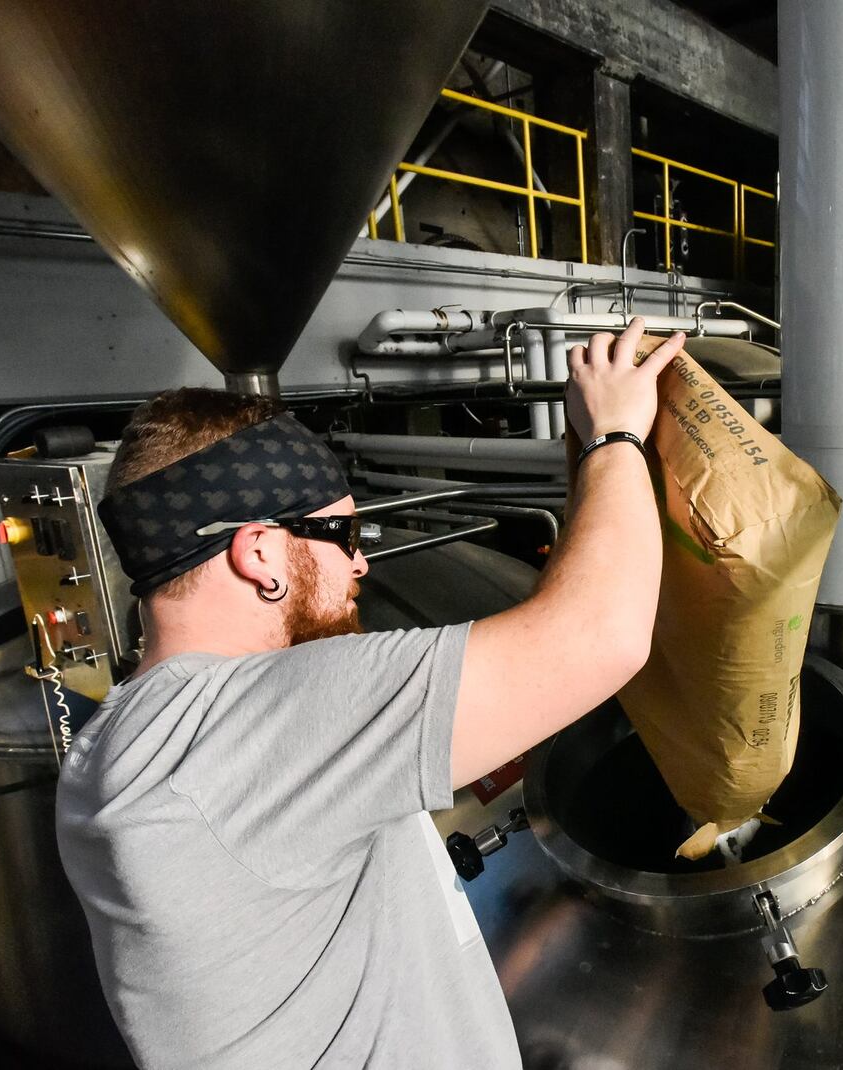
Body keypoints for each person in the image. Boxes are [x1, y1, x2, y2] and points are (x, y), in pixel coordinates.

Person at [56, 319, 686, 1069]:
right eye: (342, 536)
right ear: (260, 553)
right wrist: (616, 434)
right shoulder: (262, 721)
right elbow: (599, 637)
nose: (361, 566)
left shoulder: (116, 742)